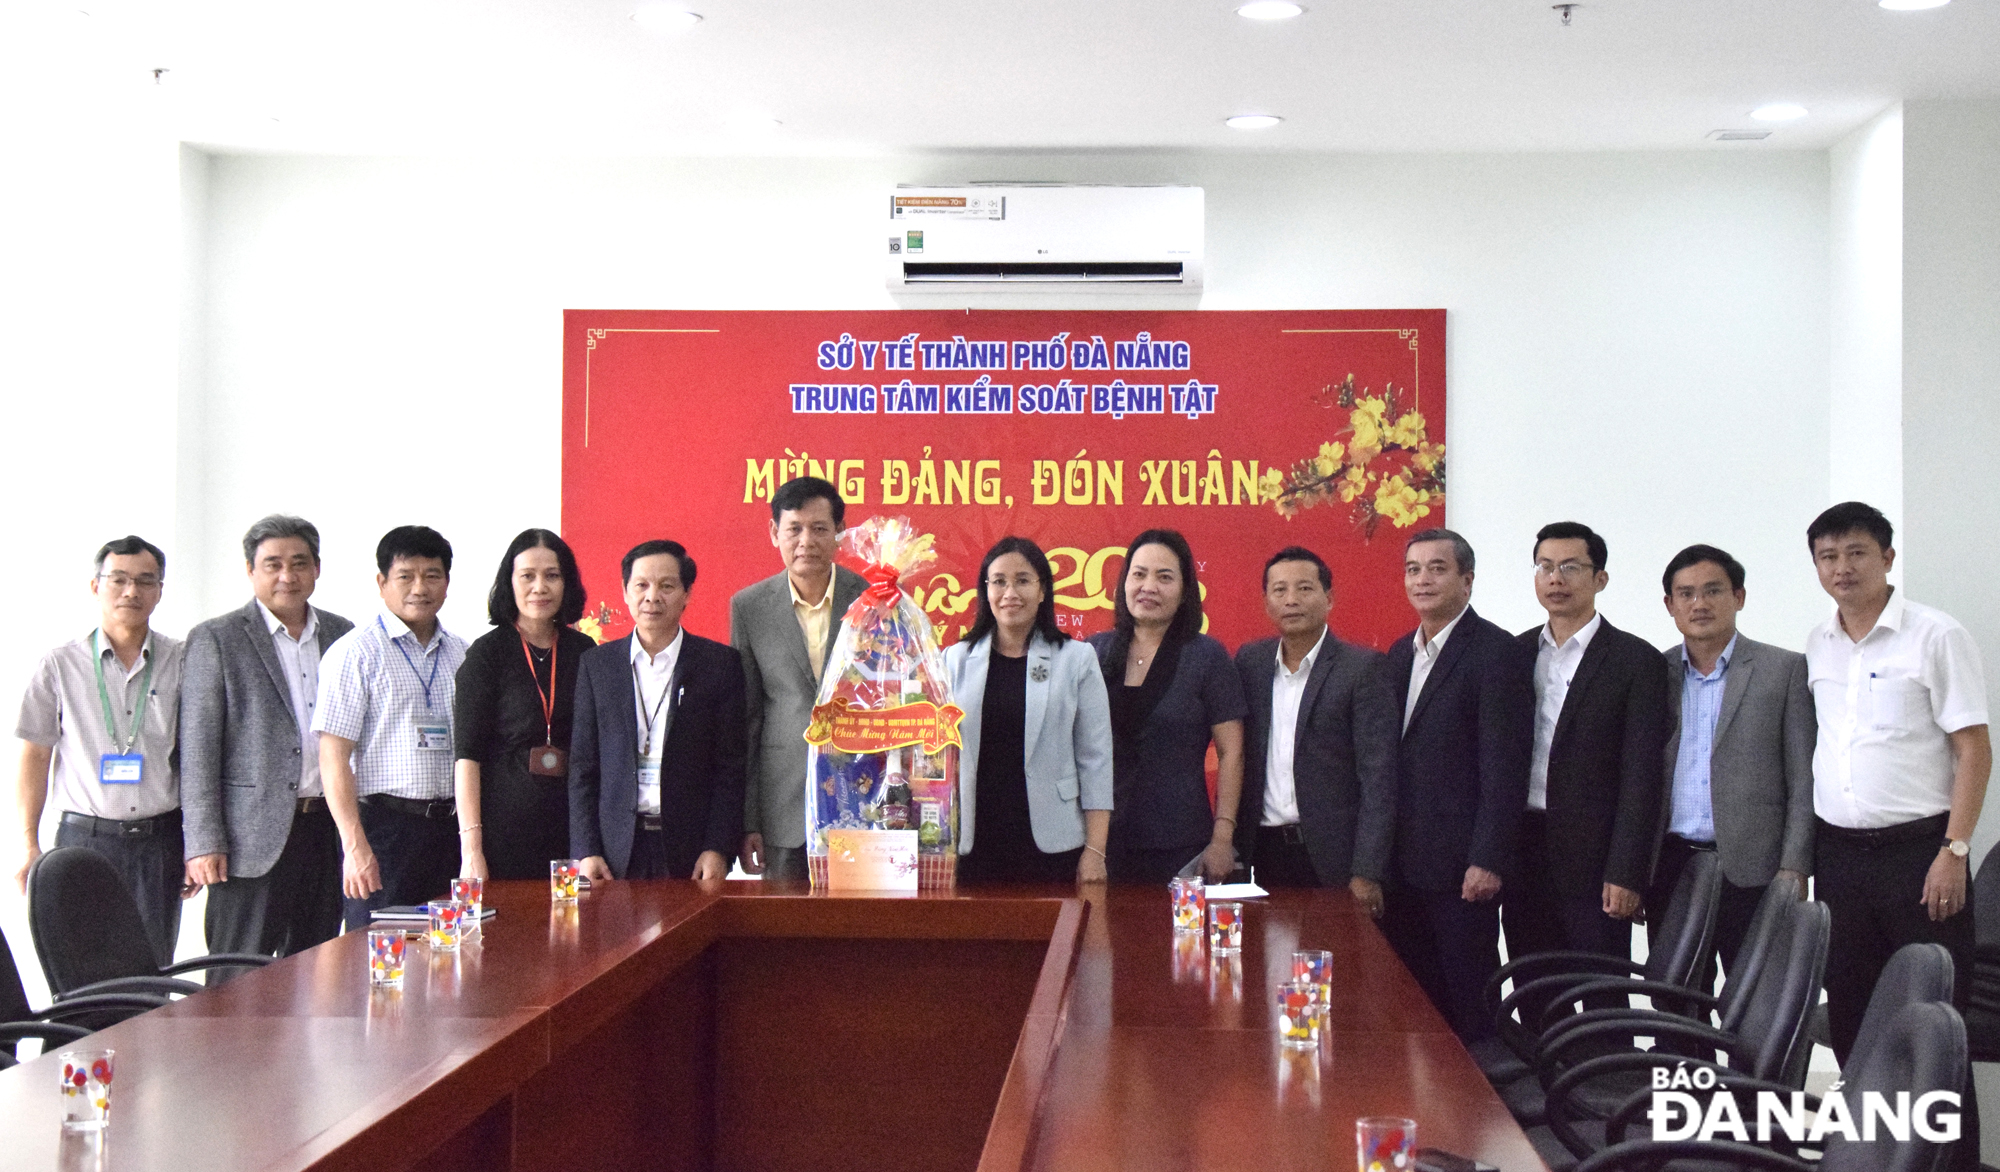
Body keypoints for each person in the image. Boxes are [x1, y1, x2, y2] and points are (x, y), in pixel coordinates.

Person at [1804, 502, 1989, 1067]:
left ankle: (1947, 1158)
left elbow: (1974, 749)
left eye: (1856, 553)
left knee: (1932, 1023)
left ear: (1886, 557)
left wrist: (1954, 851)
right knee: (1854, 1018)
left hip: (1919, 856)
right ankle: (1866, 1152)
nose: (1842, 568)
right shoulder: (1818, 642)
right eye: (1827, 556)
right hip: (1838, 856)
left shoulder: (1936, 635)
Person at [1379, 529, 1533, 1041]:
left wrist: (1488, 858)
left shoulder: (1496, 653)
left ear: (1467, 581)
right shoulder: (1399, 655)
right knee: (1414, 1009)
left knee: (1470, 1008)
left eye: (1437, 568)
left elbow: (1505, 768)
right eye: (1413, 569)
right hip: (1401, 869)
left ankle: (1483, 1116)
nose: (1422, 579)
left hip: (1462, 871)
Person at [181, 516, 355, 962]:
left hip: (326, 830)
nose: (287, 576)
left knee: (318, 971)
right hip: (248, 839)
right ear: (250, 570)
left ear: (317, 568)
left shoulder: (342, 635)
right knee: (237, 978)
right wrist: (203, 841)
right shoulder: (216, 639)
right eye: (272, 564)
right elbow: (198, 749)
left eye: (299, 563)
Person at [1503, 522, 1669, 975]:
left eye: (1570, 567)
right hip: (1524, 851)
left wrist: (1627, 871)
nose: (1556, 578)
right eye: (1545, 567)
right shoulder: (1514, 654)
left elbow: (1642, 776)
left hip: (1596, 860)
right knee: (1533, 988)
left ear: (1600, 579)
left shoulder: (1636, 661)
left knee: (1602, 996)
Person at [15, 536, 189, 966]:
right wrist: (28, 844)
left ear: (160, 591)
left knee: (153, 969)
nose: (132, 591)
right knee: (82, 971)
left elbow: (198, 758)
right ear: (96, 587)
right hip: (83, 841)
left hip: (160, 841)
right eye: (119, 580)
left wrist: (199, 843)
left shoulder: (184, 660)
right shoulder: (59, 664)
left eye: (146, 581)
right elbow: (34, 757)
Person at [1648, 544, 1813, 978]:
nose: (1699, 603)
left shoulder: (1785, 670)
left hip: (1755, 871)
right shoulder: (1653, 673)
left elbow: (1803, 780)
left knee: (1758, 1006)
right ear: (1670, 605)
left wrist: (1795, 866)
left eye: (1713, 591)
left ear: (1739, 597)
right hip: (1671, 865)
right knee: (1676, 1003)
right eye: (1685, 594)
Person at [316, 526, 468, 930]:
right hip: (385, 832)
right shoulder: (355, 652)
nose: (420, 587)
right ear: (382, 583)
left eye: (432, 575)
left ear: (447, 584)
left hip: (449, 830)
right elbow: (333, 758)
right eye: (406, 576)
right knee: (381, 955)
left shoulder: (462, 653)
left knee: (449, 951)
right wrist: (354, 845)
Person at [571, 540, 745, 882]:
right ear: (624, 591)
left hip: (690, 848)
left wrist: (718, 847)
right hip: (615, 849)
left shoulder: (719, 665)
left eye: (666, 586)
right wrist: (586, 849)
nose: (652, 596)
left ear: (687, 594)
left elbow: (730, 768)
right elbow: (582, 767)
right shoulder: (597, 665)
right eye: (641, 585)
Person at [1232, 546, 1398, 902]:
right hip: (1261, 853)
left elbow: (1379, 779)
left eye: (1305, 588)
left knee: (1335, 957)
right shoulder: (1250, 663)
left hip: (1332, 859)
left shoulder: (1362, 669)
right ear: (1266, 601)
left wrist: (1367, 871)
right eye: (1280, 590)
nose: (1291, 599)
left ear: (1329, 597)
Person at [944, 537, 1113, 884]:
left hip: (1054, 842)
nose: (1010, 593)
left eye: (1022, 580)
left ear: (1042, 591)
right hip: (972, 843)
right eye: (999, 581)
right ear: (985, 590)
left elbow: (1096, 760)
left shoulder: (1076, 659)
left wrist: (1095, 851)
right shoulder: (955, 659)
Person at [1087, 530, 1246, 884]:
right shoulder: (1092, 653)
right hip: (1098, 844)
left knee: (1177, 940)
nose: (1149, 587)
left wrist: (1222, 839)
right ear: (1123, 583)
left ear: (1185, 590)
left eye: (1164, 577)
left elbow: (1231, 753)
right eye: (1139, 574)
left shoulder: (1207, 657)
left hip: (1180, 844)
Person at [730, 477, 866, 880]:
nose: (806, 540)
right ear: (775, 533)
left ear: (839, 533)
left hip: (861, 791)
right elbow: (748, 716)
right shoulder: (749, 607)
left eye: (820, 528)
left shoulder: (872, 600)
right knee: (781, 931)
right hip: (782, 800)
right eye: (794, 529)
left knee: (860, 929)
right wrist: (749, 818)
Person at [453, 529, 596, 881]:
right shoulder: (487, 654)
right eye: (527, 576)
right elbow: (467, 757)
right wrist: (471, 850)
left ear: (567, 583)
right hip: (504, 832)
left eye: (552, 576)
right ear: (509, 582)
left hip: (573, 831)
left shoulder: (586, 652)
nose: (540, 587)